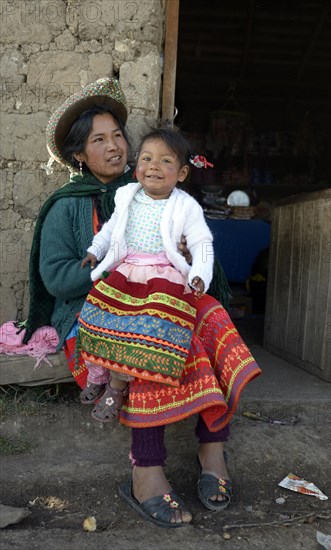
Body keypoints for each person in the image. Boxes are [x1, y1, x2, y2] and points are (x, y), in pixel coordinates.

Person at [23, 78, 261, 527]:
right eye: (99, 140)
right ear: (79, 154)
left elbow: (192, 250)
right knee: (154, 333)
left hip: (160, 295)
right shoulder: (66, 207)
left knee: (211, 316)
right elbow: (55, 278)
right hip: (93, 316)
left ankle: (213, 447)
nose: (115, 147)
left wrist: (182, 264)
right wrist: (119, 272)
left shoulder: (157, 192)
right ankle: (146, 470)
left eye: (118, 136)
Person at [77, 127, 214, 423]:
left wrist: (201, 273)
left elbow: (202, 243)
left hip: (163, 278)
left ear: (181, 174)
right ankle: (97, 373)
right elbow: (111, 229)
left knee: (144, 328)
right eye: (147, 158)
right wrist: (94, 249)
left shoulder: (186, 206)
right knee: (94, 316)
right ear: (137, 168)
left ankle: (117, 386)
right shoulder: (127, 196)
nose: (154, 166)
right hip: (126, 271)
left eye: (165, 161)